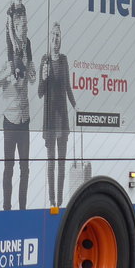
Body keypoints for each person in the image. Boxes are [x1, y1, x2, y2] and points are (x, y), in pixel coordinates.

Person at [0, 0, 35, 210]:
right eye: (23, 27)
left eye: (27, 25)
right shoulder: (10, 25)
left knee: (25, 168)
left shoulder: (27, 43)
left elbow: (33, 76)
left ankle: (23, 209)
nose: (25, 28)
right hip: (10, 120)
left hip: (25, 119)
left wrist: (31, 72)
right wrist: (8, 74)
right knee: (9, 166)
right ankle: (7, 208)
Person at [38, 22, 76, 207]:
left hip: (62, 118)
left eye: (58, 35)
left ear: (61, 39)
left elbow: (67, 86)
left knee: (61, 162)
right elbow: (39, 92)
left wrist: (76, 105)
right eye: (53, 35)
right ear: (49, 38)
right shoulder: (44, 60)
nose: (55, 39)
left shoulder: (64, 60)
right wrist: (44, 79)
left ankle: (60, 201)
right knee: (51, 162)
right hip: (49, 119)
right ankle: (52, 199)